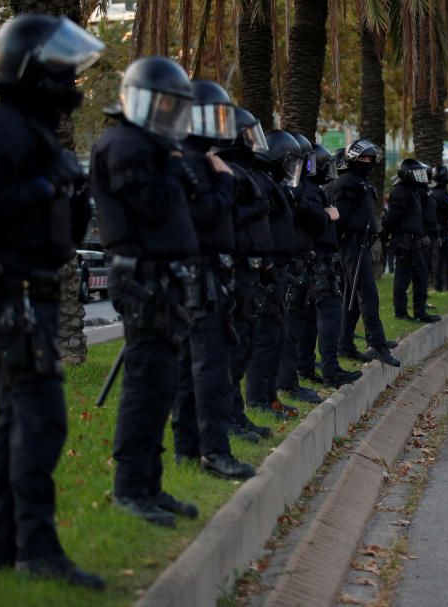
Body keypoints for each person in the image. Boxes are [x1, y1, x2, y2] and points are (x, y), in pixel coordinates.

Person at [0, 14, 105, 588]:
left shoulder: (34, 130)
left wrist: (69, 191)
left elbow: (62, 229)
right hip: (14, 295)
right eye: (63, 68)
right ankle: (36, 549)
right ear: (33, 67)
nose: (71, 80)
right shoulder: (2, 128)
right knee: (40, 422)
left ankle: (4, 546)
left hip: (30, 292)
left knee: (12, 421)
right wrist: (52, 184)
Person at [91, 55, 204, 526]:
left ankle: (150, 485)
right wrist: (174, 166)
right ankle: (129, 489)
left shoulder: (150, 147)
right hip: (142, 278)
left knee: (160, 387)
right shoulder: (125, 146)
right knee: (144, 384)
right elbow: (154, 206)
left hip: (163, 278)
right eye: (163, 107)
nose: (169, 119)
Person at [170, 80, 257, 480]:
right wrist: (223, 179)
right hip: (200, 274)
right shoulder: (192, 162)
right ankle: (213, 452)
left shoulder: (195, 158)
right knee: (209, 368)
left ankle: (188, 450)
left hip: (204, 273)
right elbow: (207, 214)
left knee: (194, 365)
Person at [211, 107, 276, 441]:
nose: (255, 142)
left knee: (246, 345)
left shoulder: (246, 172)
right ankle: (229, 419)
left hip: (253, 272)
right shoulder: (230, 172)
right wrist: (258, 207)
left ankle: (237, 415)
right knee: (234, 351)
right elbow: (229, 216)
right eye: (248, 134)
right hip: (236, 270)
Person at [296, 144, 363, 387]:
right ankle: (330, 369)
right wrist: (329, 215)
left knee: (311, 316)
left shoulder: (310, 188)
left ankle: (305, 366)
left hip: (317, 260)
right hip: (319, 262)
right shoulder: (311, 190)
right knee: (330, 315)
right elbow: (313, 219)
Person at [331, 139, 399, 367]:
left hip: (361, 245)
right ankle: (376, 345)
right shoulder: (346, 183)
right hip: (351, 246)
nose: (368, 162)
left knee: (352, 298)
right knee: (368, 295)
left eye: (371, 158)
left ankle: (345, 345)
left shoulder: (361, 182)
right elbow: (338, 219)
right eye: (364, 158)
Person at [275, 133, 324, 404]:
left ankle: (296, 373)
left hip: (301, 260)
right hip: (289, 262)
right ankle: (287, 381)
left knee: (302, 322)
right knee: (289, 326)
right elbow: (316, 220)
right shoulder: (289, 189)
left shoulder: (298, 188)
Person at [385, 159, 439, 322]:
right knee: (402, 279)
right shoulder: (400, 192)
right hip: (403, 242)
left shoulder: (414, 191)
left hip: (415, 241)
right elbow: (390, 220)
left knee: (421, 277)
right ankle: (400, 312)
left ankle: (420, 311)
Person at [430, 166, 448, 293]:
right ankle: (441, 285)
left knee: (445, 258)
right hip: (440, 231)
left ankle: (446, 285)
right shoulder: (440, 193)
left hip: (440, 230)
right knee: (444, 259)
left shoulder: (435, 192)